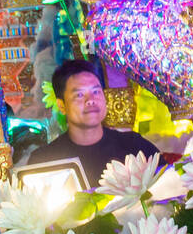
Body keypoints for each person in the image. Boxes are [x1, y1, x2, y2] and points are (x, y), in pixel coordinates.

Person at [25, 59, 157, 186]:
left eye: (96, 91)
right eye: (80, 95)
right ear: (62, 106)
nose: (91, 100)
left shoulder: (134, 146)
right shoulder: (44, 160)